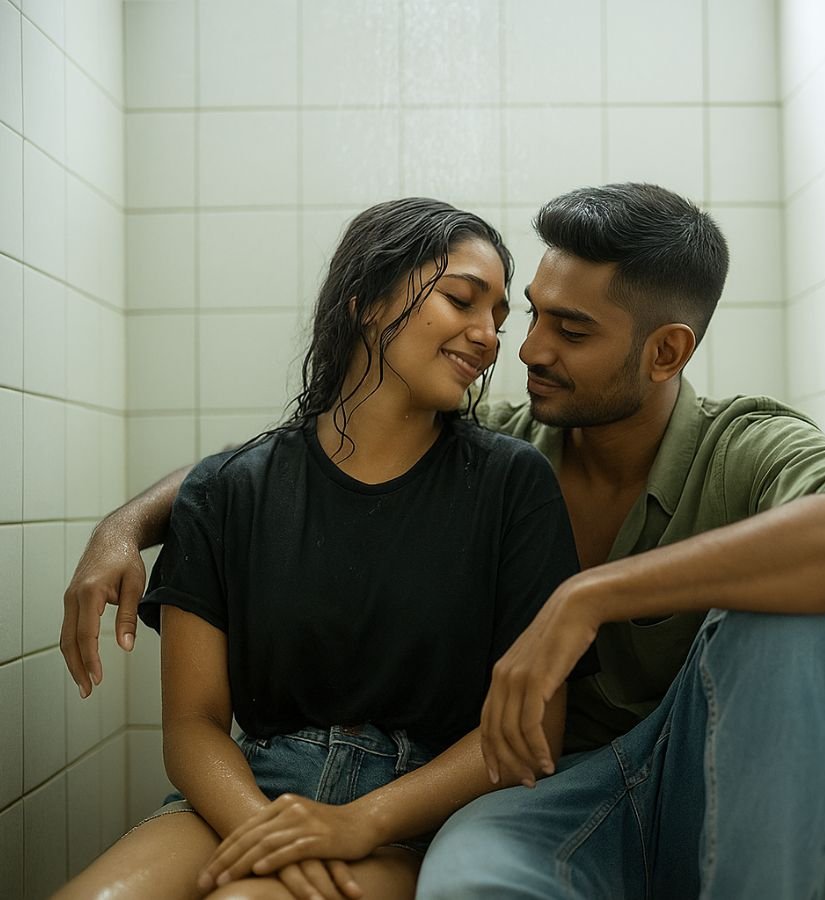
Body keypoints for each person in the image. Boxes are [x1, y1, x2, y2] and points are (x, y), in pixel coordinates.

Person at [61, 183, 825, 899]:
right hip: (546, 799)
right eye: (532, 316)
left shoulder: (735, 447)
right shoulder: (509, 444)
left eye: (571, 330)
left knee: (802, 616)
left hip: (685, 778)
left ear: (666, 352)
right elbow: (284, 470)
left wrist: (587, 597)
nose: (520, 349)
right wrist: (126, 525)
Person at [54, 198, 581, 900]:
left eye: (498, 319)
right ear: (365, 303)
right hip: (248, 792)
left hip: (420, 813)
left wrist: (360, 823)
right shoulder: (226, 489)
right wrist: (273, 837)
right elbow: (192, 725)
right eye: (462, 301)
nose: (488, 337)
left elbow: (531, 729)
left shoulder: (513, 484)